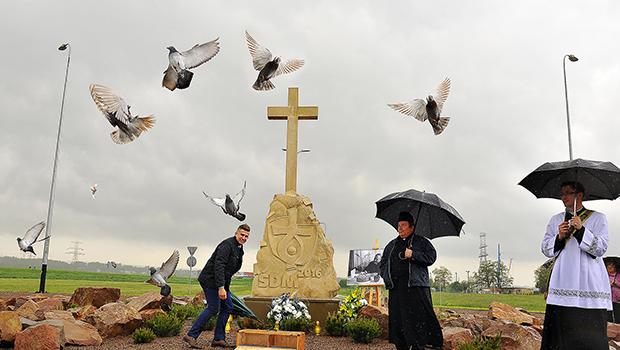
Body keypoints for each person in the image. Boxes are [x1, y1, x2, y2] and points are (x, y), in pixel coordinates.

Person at [540, 182, 611, 350]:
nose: (563, 197)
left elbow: (601, 248)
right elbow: (545, 248)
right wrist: (559, 237)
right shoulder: (556, 219)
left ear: (579, 195)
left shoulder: (598, 218)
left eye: (567, 193)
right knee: (560, 337)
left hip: (589, 283)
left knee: (589, 337)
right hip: (562, 281)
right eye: (561, 193)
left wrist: (581, 230)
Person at [379, 211, 443, 350]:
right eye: (398, 225)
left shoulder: (422, 242)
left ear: (412, 227)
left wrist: (413, 254)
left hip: (416, 288)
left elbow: (431, 257)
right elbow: (383, 263)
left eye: (403, 225)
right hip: (397, 290)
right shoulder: (391, 245)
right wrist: (387, 278)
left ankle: (418, 346)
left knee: (417, 320)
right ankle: (401, 345)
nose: (400, 228)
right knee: (399, 321)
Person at [183, 224, 250, 349]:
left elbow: (229, 272)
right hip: (210, 280)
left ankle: (218, 339)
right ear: (236, 233)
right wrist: (220, 287)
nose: (244, 238)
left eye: (246, 236)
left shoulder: (239, 248)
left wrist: (225, 288)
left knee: (227, 306)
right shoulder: (227, 245)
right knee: (214, 308)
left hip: (221, 282)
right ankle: (191, 335)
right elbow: (219, 266)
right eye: (242, 234)